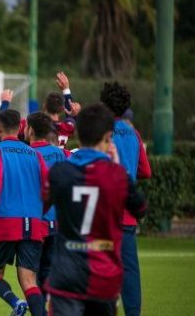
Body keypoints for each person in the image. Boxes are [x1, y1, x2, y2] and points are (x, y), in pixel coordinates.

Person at [46, 104, 147, 316]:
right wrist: (119, 167)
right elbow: (140, 208)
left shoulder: (60, 172)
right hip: (104, 278)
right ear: (108, 137)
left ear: (79, 135)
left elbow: (42, 206)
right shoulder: (117, 176)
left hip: (66, 277)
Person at [0, 103, 48, 316]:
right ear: (20, 128)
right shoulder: (34, 154)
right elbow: (47, 187)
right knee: (29, 280)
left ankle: (15, 302)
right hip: (34, 221)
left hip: (6, 220)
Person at [100, 82, 151, 316]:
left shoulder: (102, 130)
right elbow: (146, 171)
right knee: (130, 270)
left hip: (105, 211)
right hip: (128, 214)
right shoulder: (134, 133)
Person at [24, 112, 69, 307]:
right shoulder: (59, 153)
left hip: (35, 221)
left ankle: (40, 310)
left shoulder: (25, 154)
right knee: (48, 272)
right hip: (57, 222)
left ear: (31, 130)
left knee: (29, 274)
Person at [0, 72, 81, 148]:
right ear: (62, 109)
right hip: (58, 162)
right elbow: (71, 115)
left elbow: (4, 123)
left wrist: (5, 103)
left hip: (35, 162)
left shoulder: (30, 124)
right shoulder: (67, 127)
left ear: (44, 106)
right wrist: (66, 90)